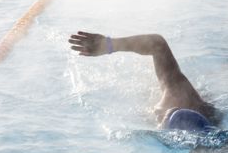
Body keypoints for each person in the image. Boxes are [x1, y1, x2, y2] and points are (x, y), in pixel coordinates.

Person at [69, 31, 219, 132]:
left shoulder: (171, 104)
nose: (160, 114)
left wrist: (109, 45)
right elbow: (157, 44)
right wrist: (108, 45)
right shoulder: (180, 96)